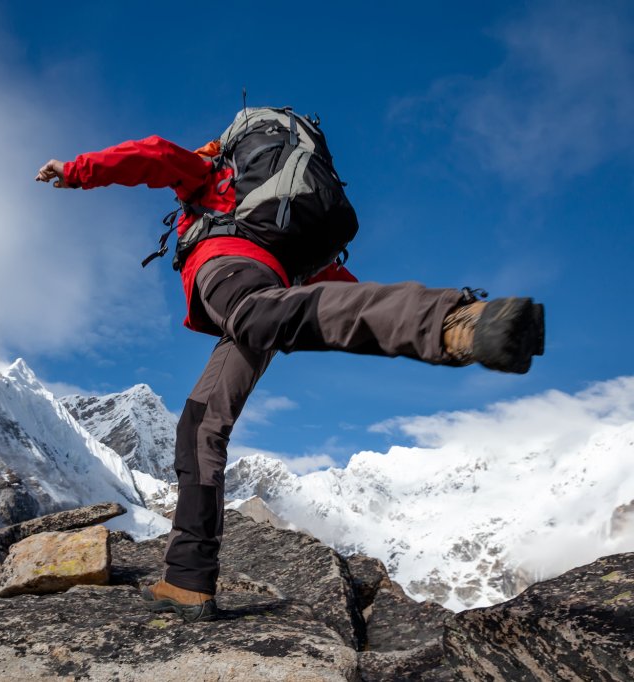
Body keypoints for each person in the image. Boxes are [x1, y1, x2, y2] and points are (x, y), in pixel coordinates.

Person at [35, 132, 544, 623]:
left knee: (253, 321)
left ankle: (453, 322)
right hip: (267, 298)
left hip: (231, 276)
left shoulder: (214, 172)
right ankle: (187, 580)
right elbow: (341, 293)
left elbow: (153, 154)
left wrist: (76, 170)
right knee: (200, 426)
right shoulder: (285, 225)